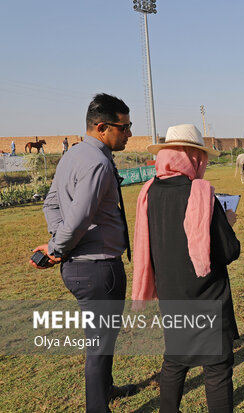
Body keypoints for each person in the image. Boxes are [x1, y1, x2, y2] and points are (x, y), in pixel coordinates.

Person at [30, 93, 136, 412]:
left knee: (101, 342)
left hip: (84, 267)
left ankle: (106, 389)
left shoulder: (74, 155)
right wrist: (56, 248)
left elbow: (52, 204)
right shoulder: (97, 162)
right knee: (99, 346)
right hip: (98, 269)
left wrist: (60, 245)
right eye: (125, 126)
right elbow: (79, 218)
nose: (129, 133)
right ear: (102, 127)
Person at [132, 124, 240, 413]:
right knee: (216, 368)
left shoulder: (148, 191)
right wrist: (227, 224)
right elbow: (229, 251)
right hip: (207, 295)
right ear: (194, 156)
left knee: (175, 361)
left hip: (171, 293)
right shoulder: (201, 193)